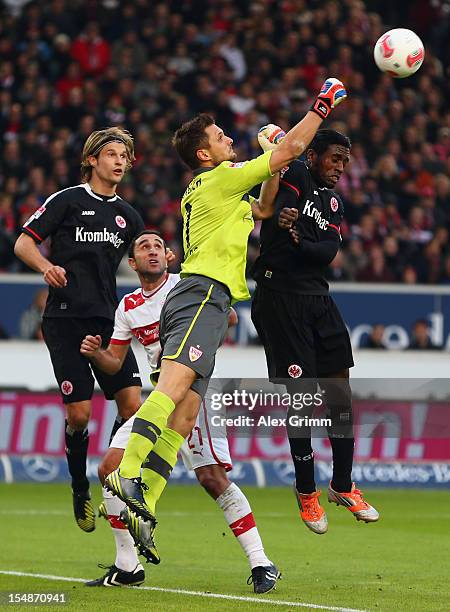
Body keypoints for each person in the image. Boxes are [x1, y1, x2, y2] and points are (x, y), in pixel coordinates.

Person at [105, 78, 347, 582]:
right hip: (201, 294)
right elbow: (296, 148)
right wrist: (319, 108)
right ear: (204, 153)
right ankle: (130, 475)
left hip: (207, 298)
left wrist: (271, 161)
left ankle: (143, 502)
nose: (228, 140)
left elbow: (262, 207)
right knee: (172, 391)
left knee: (187, 412)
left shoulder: (217, 188)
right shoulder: (218, 179)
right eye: (220, 137)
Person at [81, 230, 277, 593]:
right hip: (159, 397)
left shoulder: (184, 287)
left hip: (194, 391)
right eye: (144, 247)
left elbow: (229, 318)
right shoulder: (128, 307)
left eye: (158, 246)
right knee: (109, 467)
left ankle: (261, 561)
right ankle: (127, 566)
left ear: (170, 257)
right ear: (133, 263)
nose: (152, 251)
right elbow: (114, 361)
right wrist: (96, 353)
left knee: (212, 478)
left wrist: (197, 353)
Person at [14, 127, 145, 533]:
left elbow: (145, 259)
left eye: (124, 156)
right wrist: (46, 267)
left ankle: (111, 473)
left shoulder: (129, 216)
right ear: (92, 159)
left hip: (109, 320)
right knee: (80, 414)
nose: (119, 161)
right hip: (65, 320)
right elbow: (23, 243)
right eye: (111, 154)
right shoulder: (67, 201)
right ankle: (78, 486)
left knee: (132, 406)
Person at [251, 128, 379, 535]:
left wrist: (299, 236)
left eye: (345, 160)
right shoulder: (296, 175)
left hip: (318, 300)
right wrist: (291, 228)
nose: (340, 167)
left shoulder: (334, 201)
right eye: (335, 158)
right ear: (312, 156)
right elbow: (279, 206)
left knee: (340, 393)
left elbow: (326, 253)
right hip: (280, 298)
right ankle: (306, 492)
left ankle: (342, 484)